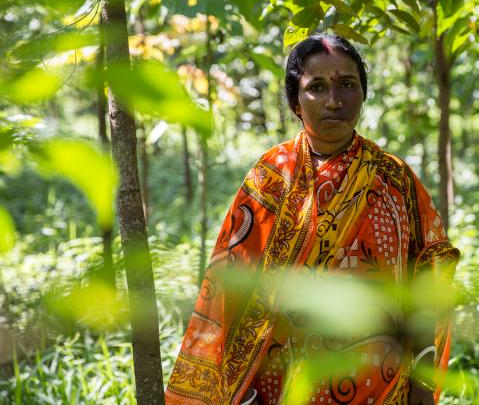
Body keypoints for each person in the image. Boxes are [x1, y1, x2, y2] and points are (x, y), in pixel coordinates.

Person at [165, 34, 460, 405]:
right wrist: (242, 391)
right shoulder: (271, 178)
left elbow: (428, 277)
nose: (334, 101)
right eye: (316, 87)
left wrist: (423, 376)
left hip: (383, 388)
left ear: (364, 93)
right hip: (282, 388)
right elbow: (231, 288)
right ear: (295, 102)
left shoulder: (395, 180)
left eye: (347, 85)